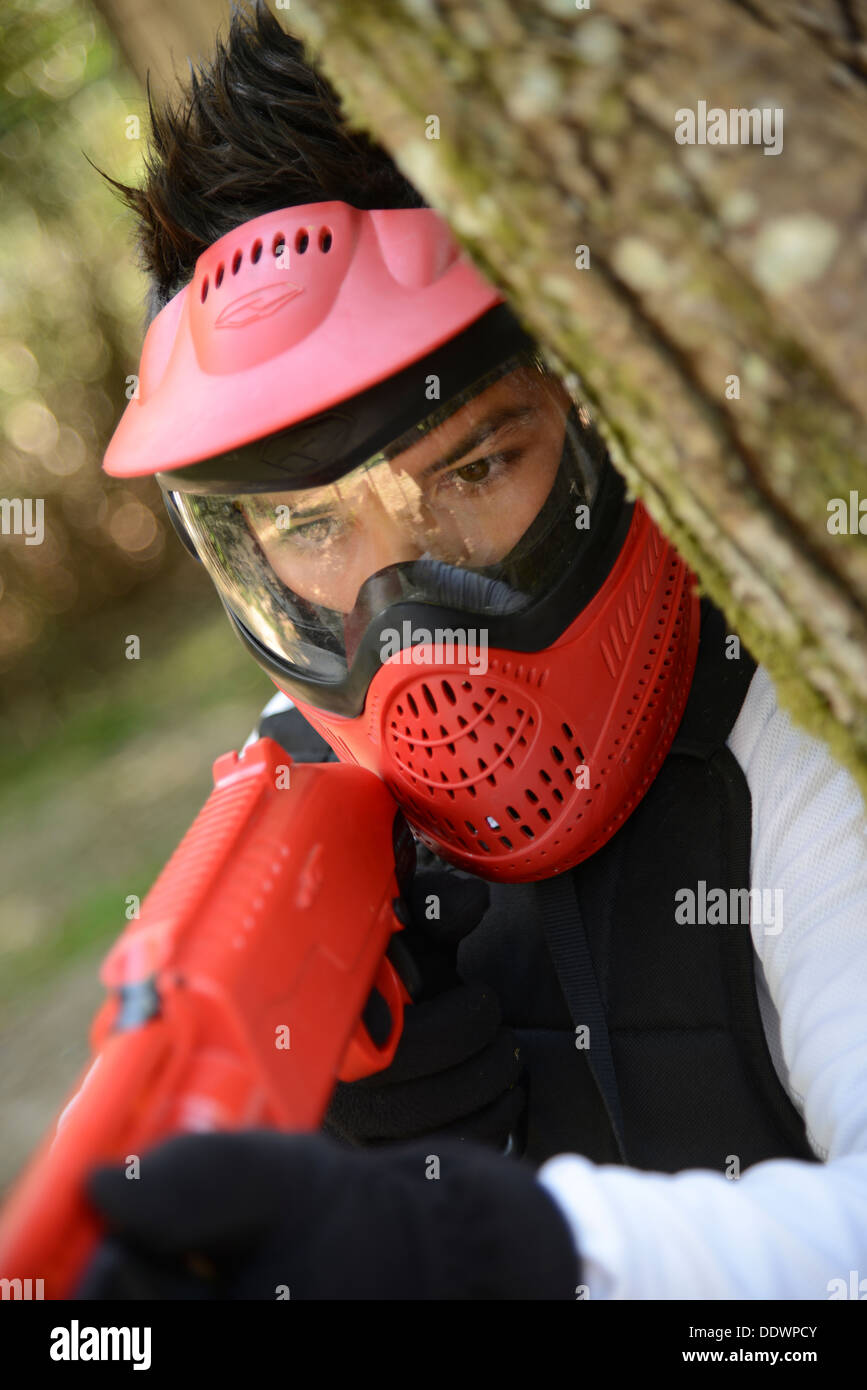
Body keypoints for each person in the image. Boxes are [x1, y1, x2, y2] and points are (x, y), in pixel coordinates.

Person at [78, 2, 867, 1300]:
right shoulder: (295, 832)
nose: (400, 622)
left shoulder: (785, 708)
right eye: (307, 525)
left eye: (479, 464)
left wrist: (479, 1248)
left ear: (606, 413)